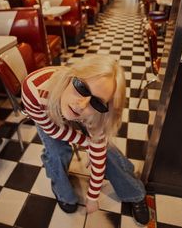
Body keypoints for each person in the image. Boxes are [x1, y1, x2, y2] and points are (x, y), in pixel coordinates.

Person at [21, 55, 149, 226]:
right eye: (82, 87)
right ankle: (61, 190)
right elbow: (52, 130)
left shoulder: (99, 113)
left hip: (83, 116)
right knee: (57, 153)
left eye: (97, 102)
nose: (82, 105)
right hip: (47, 111)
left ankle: (135, 193)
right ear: (71, 77)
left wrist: (92, 196)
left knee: (106, 150)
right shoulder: (34, 91)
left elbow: (98, 156)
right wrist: (87, 143)